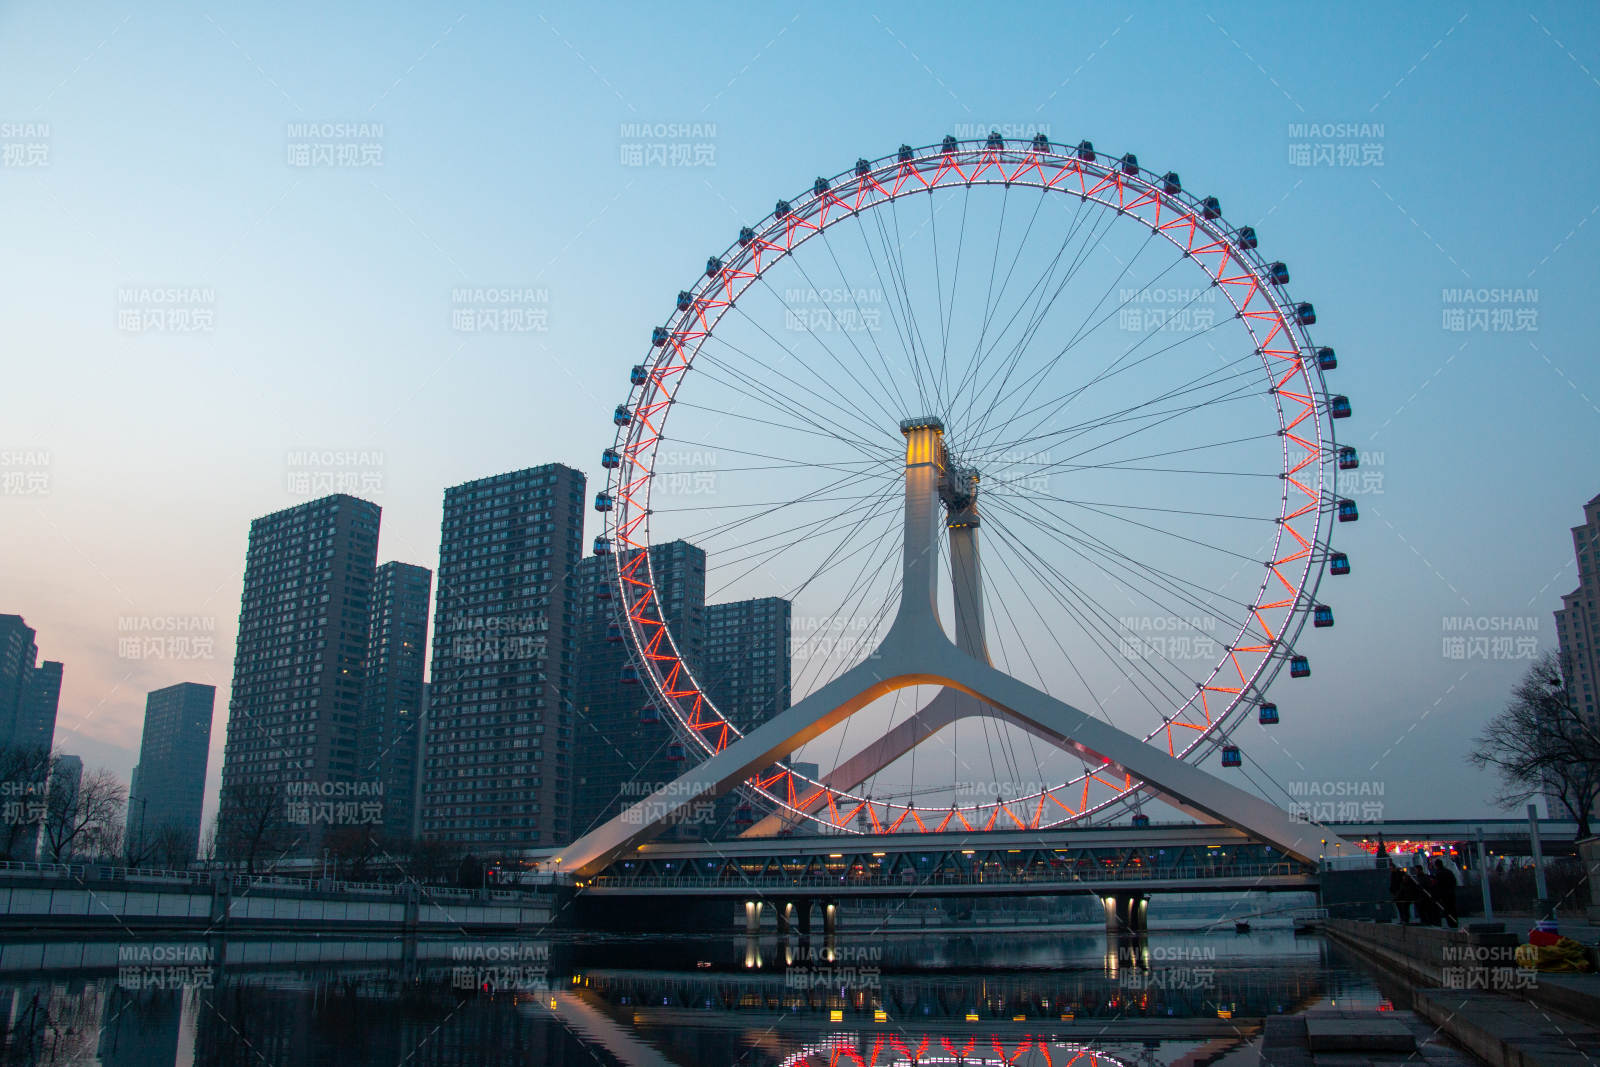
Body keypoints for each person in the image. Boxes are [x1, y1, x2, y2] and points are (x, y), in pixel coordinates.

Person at [1430, 857, 1459, 929]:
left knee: (1446, 910)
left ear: (1436, 865)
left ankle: (1450, 923)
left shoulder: (1438, 873)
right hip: (1451, 894)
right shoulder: (1449, 872)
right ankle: (1454, 923)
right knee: (1452, 909)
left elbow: (1437, 885)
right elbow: (1454, 881)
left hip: (1443, 895)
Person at [1416, 857, 1441, 926]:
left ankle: (1429, 922)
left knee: (1427, 910)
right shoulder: (1426, 877)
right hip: (1427, 896)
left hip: (1425, 897)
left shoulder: (1422, 878)